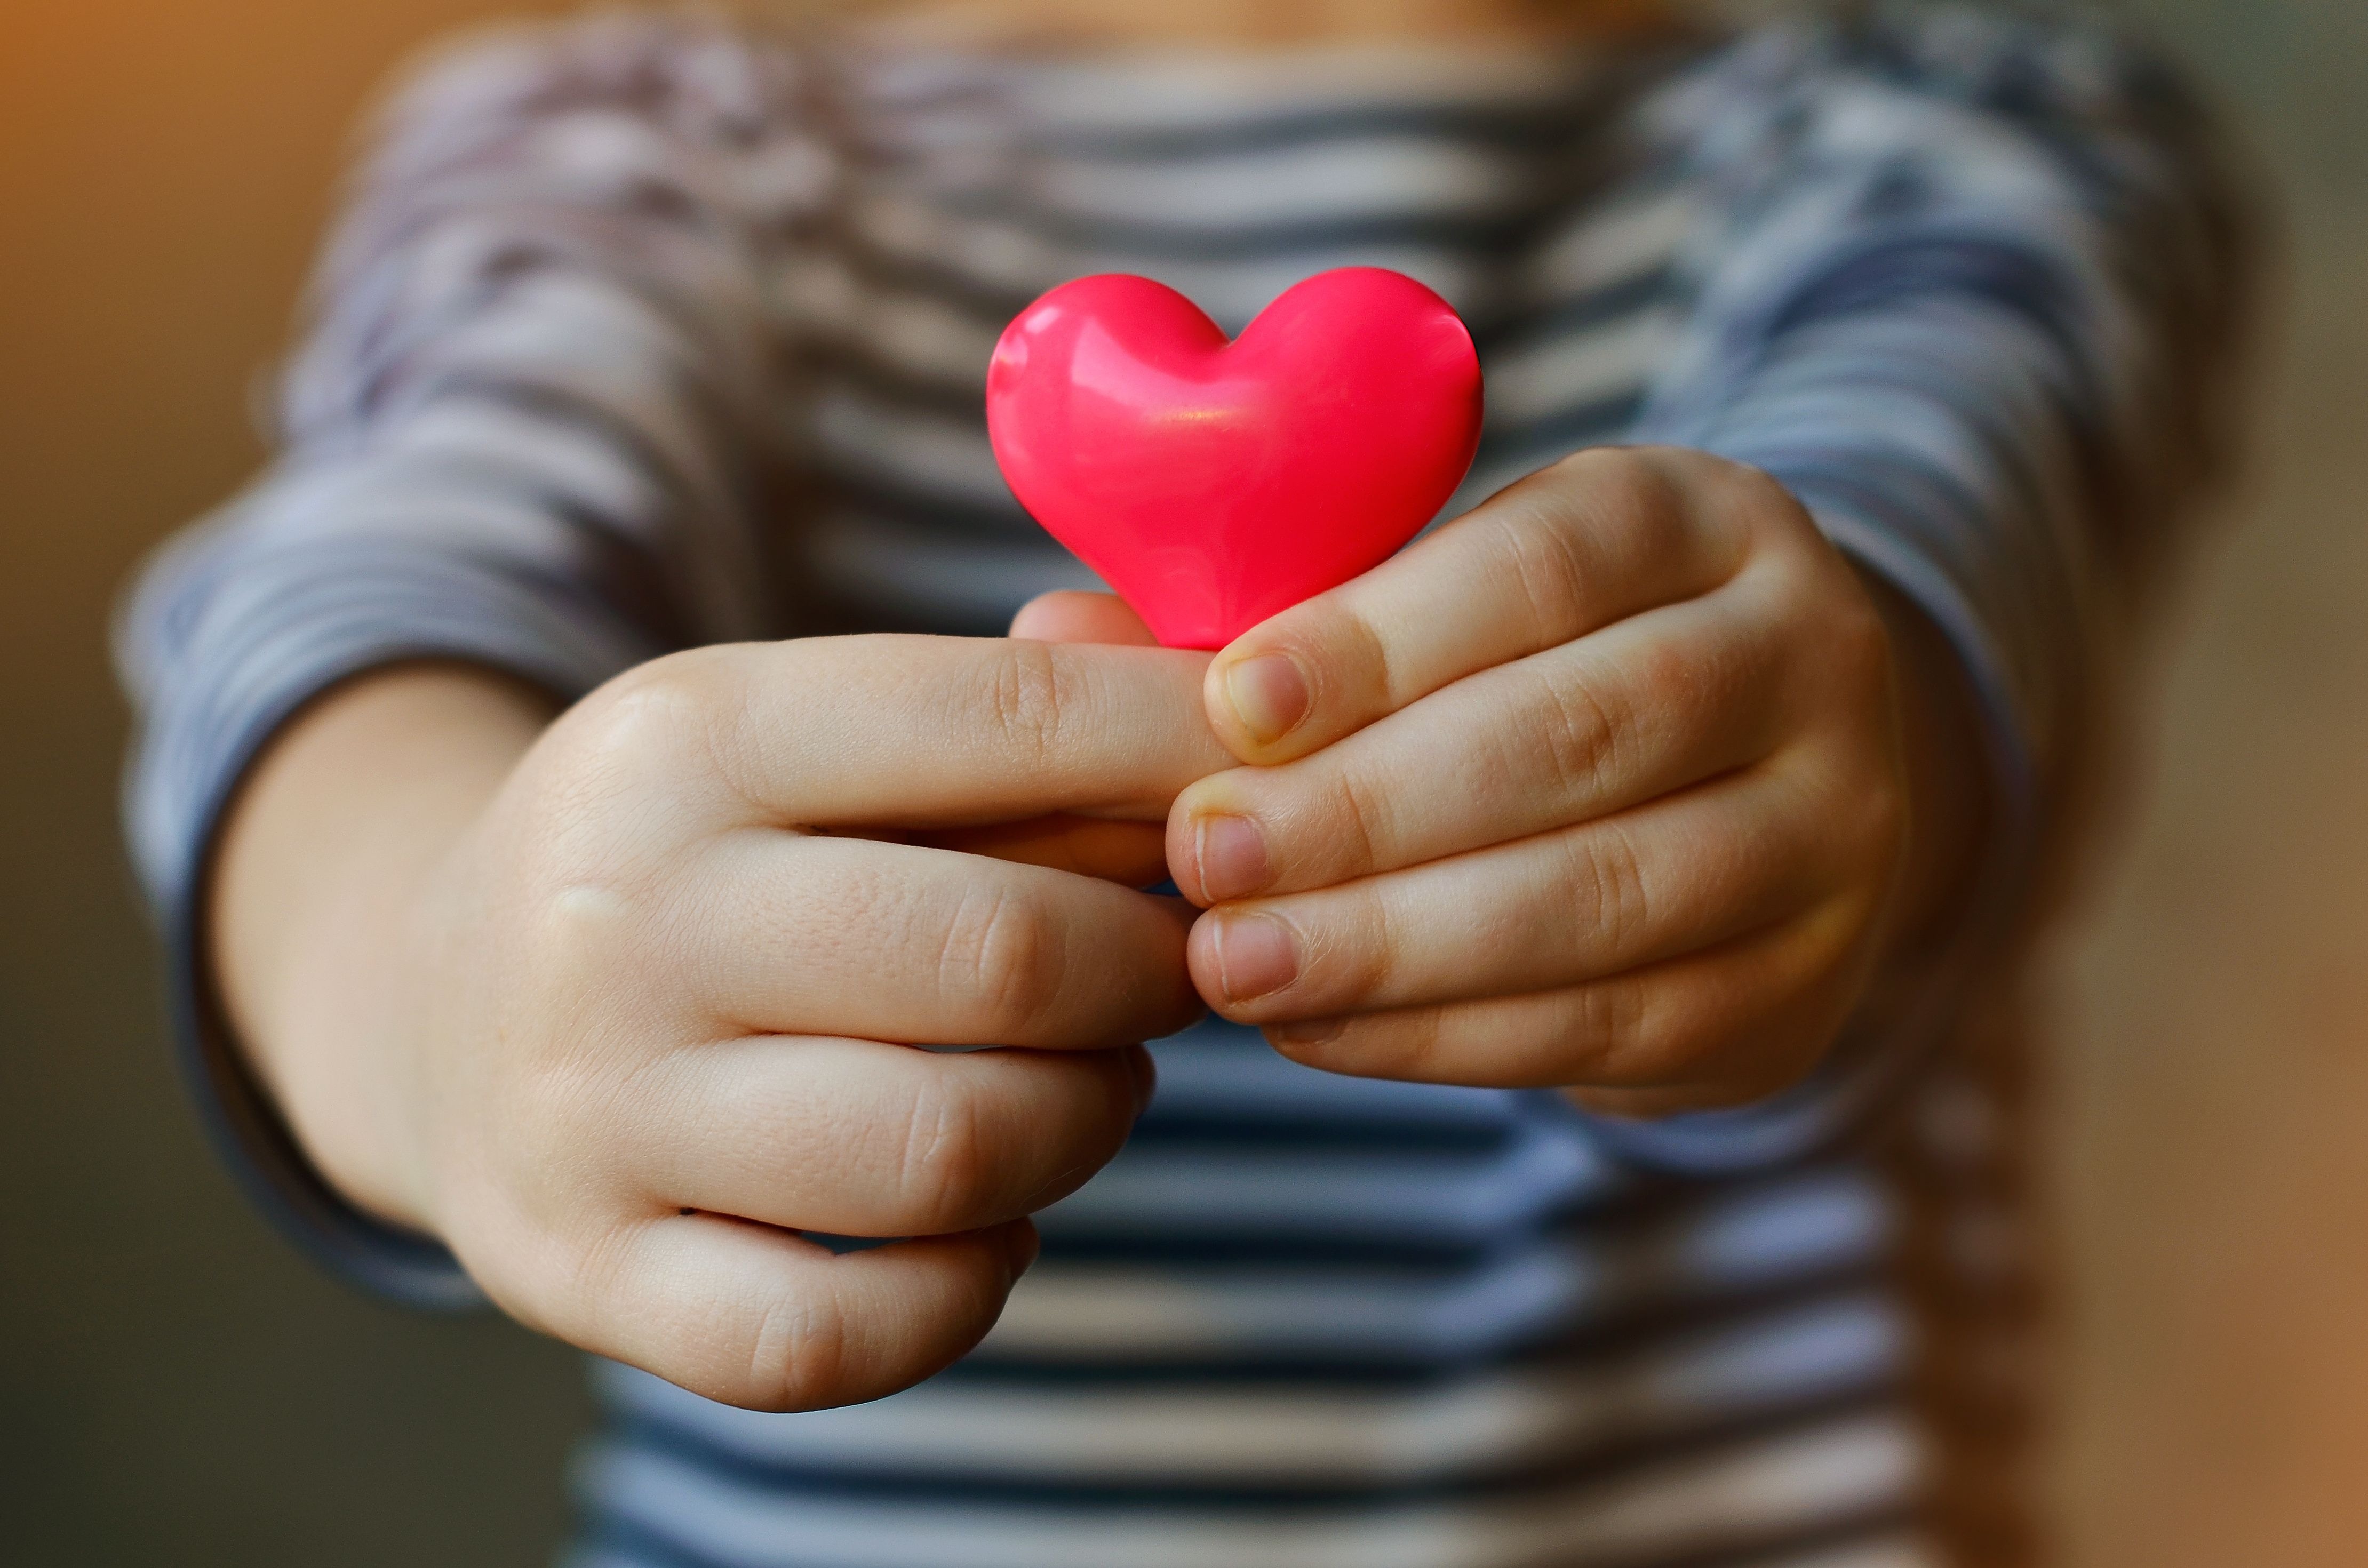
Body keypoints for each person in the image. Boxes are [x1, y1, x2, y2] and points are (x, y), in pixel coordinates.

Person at [116, 0, 2250, 1562]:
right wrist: (437, 966)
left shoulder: (1976, 131)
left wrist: (1824, 774)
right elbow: (362, 609)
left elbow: (1951, 551)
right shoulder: (632, 144)